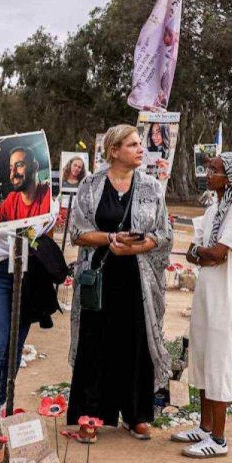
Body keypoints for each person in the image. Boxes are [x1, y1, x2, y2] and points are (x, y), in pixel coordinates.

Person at [67, 124, 173, 440]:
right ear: (114, 151)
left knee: (135, 343)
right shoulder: (91, 185)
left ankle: (136, 414)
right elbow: (77, 233)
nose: (141, 149)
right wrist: (111, 238)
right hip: (99, 278)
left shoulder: (152, 188)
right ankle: (90, 415)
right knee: (95, 343)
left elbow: (164, 233)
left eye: (141, 144)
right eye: (133, 145)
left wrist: (137, 246)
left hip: (138, 280)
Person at [174, 153, 232, 457]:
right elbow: (195, 253)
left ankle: (219, 438)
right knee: (201, 357)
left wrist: (203, 252)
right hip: (205, 293)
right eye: (208, 168)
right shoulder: (213, 209)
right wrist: (204, 252)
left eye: (214, 170)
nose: (208, 174)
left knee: (219, 362)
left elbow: (217, 253)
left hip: (225, 297)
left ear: (231, 178)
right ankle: (204, 427)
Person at [0, 178, 55, 410]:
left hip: (26, 274)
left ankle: (1, 401)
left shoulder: (47, 201)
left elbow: (47, 241)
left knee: (15, 345)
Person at [0, 146, 51, 222]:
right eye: (11, 168)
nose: (12, 174)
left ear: (35, 167)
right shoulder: (11, 199)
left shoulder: (48, 196)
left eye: (19, 165)